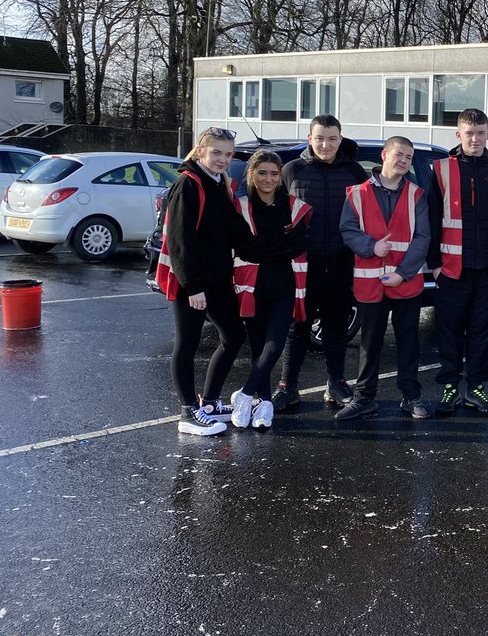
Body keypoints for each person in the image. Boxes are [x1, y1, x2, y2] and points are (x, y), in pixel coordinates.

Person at [155, 127, 246, 436]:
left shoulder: (221, 184)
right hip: (191, 283)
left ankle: (209, 402)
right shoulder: (188, 185)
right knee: (188, 343)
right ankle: (187, 413)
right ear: (201, 151)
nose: (223, 159)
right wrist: (193, 286)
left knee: (233, 335)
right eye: (217, 152)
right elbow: (180, 241)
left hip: (219, 280)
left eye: (228, 154)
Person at [275, 114, 369, 411]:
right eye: (320, 138)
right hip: (301, 268)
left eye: (332, 139)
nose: (325, 145)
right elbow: (276, 215)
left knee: (336, 329)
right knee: (296, 328)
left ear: (340, 139)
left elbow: (366, 216)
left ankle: (336, 383)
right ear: (309, 139)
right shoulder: (291, 170)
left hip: (341, 265)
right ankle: (287, 387)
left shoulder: (354, 172)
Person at [337, 136, 431, 421]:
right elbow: (348, 229)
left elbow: (423, 237)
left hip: (406, 282)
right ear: (384, 155)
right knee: (369, 344)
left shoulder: (417, 194)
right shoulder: (356, 193)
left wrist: (402, 274)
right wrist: (371, 247)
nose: (404, 161)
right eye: (399, 154)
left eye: (409, 157)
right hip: (371, 283)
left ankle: (411, 396)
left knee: (408, 343)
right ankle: (364, 399)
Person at [428, 107, 488, 417]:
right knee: (449, 331)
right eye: (469, 133)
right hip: (451, 269)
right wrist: (434, 264)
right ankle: (449, 388)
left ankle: (476, 388)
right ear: (458, 134)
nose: (475, 139)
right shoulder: (441, 169)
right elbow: (432, 218)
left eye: (480, 133)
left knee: (482, 332)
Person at [229, 150, 311, 430]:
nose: (268, 178)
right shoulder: (239, 206)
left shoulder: (294, 206)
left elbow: (298, 246)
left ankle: (245, 394)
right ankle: (264, 405)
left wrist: (265, 247)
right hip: (251, 287)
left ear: (280, 177)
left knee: (274, 345)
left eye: (274, 173)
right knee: (257, 348)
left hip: (285, 286)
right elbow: (243, 247)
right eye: (262, 172)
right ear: (251, 174)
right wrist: (278, 245)